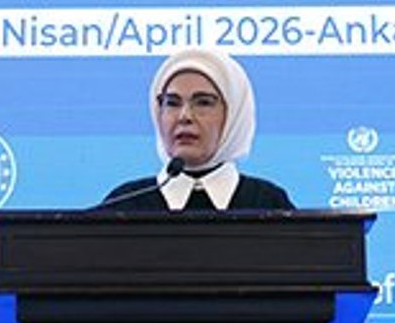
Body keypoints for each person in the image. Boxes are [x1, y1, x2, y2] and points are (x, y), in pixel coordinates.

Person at [100, 47, 295, 211]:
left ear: (233, 115)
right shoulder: (123, 206)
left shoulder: (269, 204)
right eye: (172, 103)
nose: (184, 116)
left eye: (203, 103)